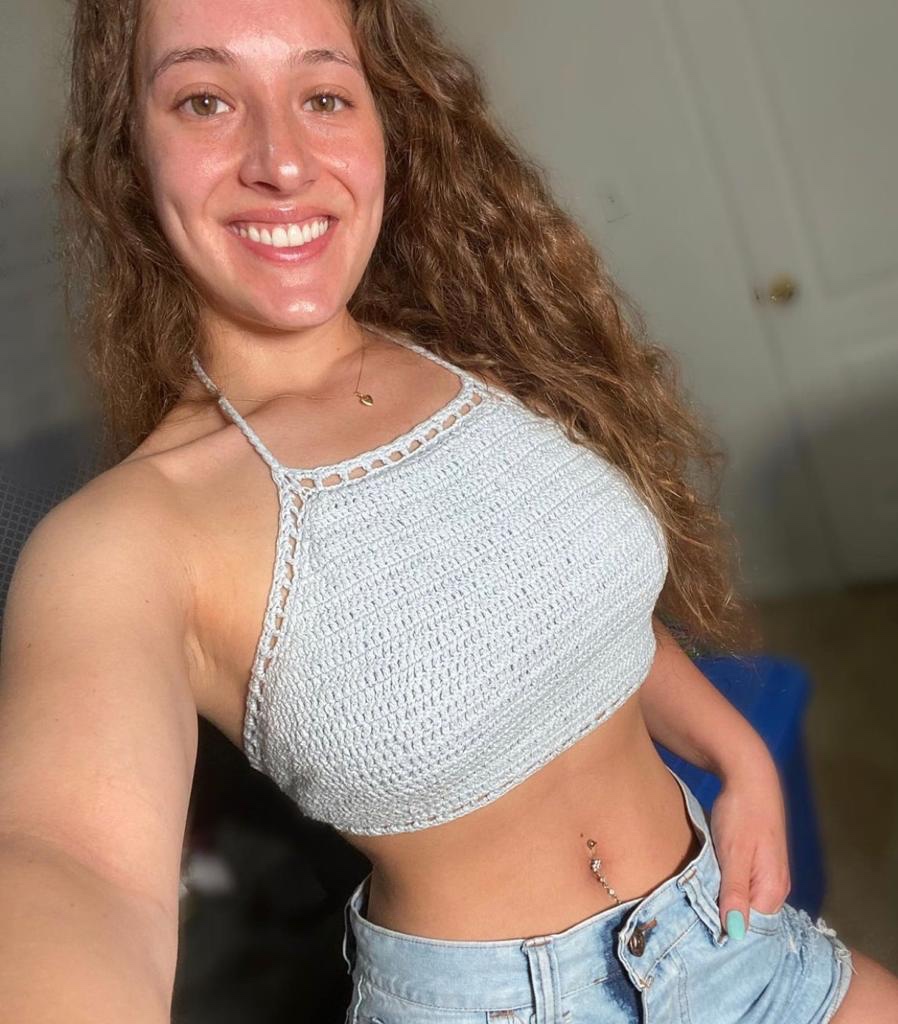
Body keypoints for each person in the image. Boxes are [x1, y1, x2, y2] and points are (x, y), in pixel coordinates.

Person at [1, 0, 896, 1020]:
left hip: (726, 931)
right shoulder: (122, 540)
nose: (281, 160)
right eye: (205, 100)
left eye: (323, 95)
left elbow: (574, 617)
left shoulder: (477, 351)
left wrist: (738, 755)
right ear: (130, 148)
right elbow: (68, 860)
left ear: (385, 122)